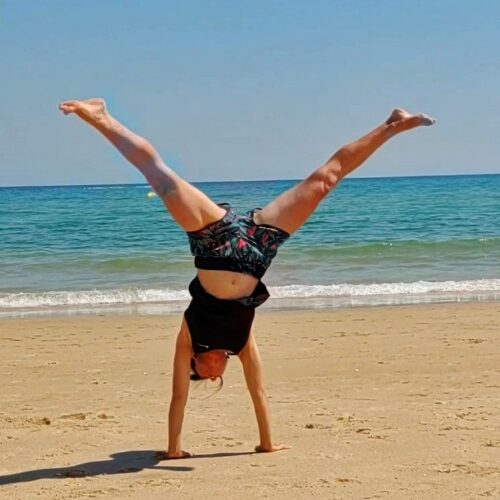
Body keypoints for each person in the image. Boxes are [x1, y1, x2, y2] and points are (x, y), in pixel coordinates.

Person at [59, 98, 435, 458]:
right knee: (325, 180)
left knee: (162, 179)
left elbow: (177, 398)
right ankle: (393, 125)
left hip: (212, 237)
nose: (212, 375)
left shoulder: (188, 339)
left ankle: (99, 116)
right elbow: (259, 392)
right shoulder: (242, 344)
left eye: (204, 376)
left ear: (196, 366)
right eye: (214, 379)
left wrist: (173, 449)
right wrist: (266, 443)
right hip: (259, 246)